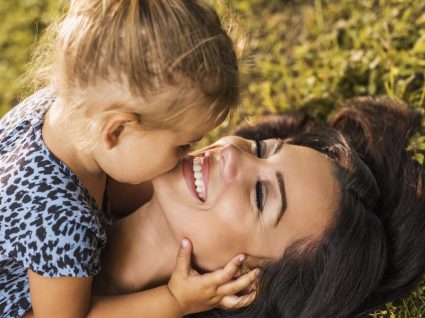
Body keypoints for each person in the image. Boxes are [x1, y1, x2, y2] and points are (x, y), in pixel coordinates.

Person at [0, 1, 259, 317]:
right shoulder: (64, 223)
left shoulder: (58, 108)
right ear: (117, 130)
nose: (186, 156)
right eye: (180, 146)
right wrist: (175, 300)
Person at [96, 96, 425, 318]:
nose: (233, 154)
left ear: (245, 282)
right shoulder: (94, 156)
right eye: (261, 149)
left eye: (259, 196)